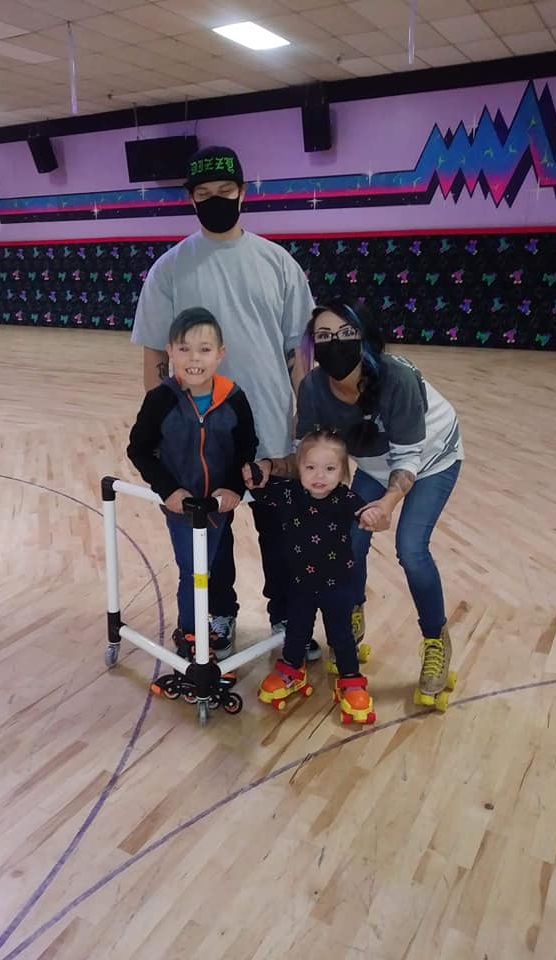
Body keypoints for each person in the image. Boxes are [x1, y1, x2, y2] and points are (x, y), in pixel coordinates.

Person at [131, 144, 316, 659]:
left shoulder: (278, 263)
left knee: (281, 535)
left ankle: (288, 617)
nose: (216, 199)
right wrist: (163, 426)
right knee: (210, 538)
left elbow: (299, 352)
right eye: (204, 193)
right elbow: (155, 354)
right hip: (202, 437)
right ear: (191, 198)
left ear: (243, 192)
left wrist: (305, 421)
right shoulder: (170, 269)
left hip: (273, 430)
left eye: (225, 190)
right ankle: (218, 615)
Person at [252, 298, 463, 703]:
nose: (335, 343)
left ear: (364, 337)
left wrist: (386, 504)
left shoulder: (397, 378)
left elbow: (408, 458)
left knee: (411, 549)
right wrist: (269, 466)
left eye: (346, 333)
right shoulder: (314, 388)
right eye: (324, 336)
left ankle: (435, 640)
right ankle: (351, 609)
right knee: (350, 539)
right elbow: (307, 454)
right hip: (375, 462)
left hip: (432, 458)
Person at [127, 307, 257, 659]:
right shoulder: (161, 399)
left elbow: (246, 447)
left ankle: (219, 617)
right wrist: (168, 489)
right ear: (170, 351)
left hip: (219, 506)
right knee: (193, 571)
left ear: (220, 354)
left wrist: (234, 487)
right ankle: (190, 634)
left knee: (216, 563)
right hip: (182, 508)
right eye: (184, 349)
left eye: (204, 349)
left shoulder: (234, 397)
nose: (194, 358)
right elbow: (139, 449)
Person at [243, 429, 375, 725]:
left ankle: (351, 679)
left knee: (341, 635)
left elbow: (364, 512)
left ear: (342, 472)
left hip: (337, 585)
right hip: (301, 583)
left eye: (329, 469)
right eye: (310, 467)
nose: (319, 476)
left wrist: (370, 516)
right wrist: (252, 476)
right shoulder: (289, 494)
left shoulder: (346, 498)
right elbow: (260, 492)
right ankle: (292, 669)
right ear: (299, 468)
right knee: (297, 630)